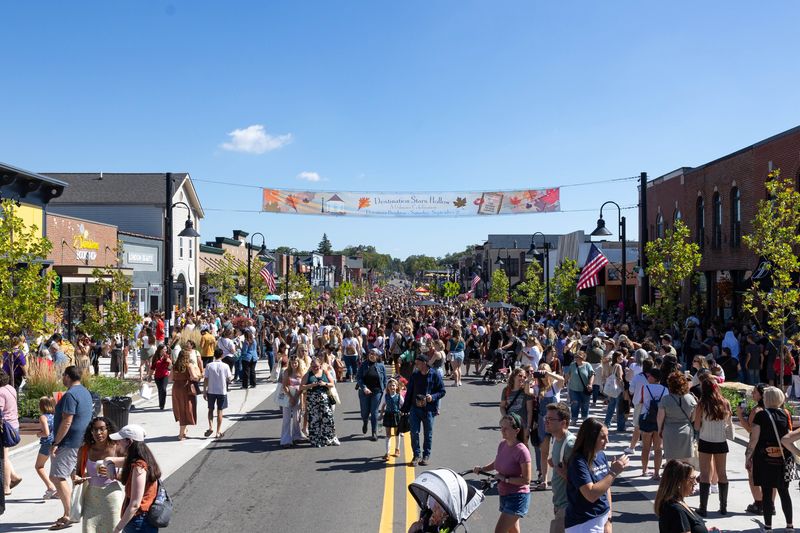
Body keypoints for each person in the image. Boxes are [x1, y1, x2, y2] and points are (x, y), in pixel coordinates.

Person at [49, 365, 94, 530]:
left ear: (68, 376)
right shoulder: (85, 392)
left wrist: (56, 443)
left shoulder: (70, 395)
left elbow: (67, 421)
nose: (62, 378)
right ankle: (76, 510)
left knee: (57, 476)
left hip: (70, 442)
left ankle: (69, 514)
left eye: (63, 375)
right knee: (75, 477)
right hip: (82, 441)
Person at [565, 418, 629, 532]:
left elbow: (606, 488)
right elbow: (590, 494)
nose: (607, 441)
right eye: (603, 437)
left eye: (607, 436)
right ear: (591, 438)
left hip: (602, 517)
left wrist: (609, 518)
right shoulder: (578, 461)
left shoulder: (601, 455)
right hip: (583, 523)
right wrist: (613, 473)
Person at [472, 413, 532, 533]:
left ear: (517, 430)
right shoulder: (503, 444)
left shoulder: (522, 451)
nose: (502, 431)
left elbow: (526, 480)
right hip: (504, 494)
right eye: (501, 427)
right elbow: (497, 463)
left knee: (499, 531)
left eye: (506, 428)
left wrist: (505, 479)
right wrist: (483, 469)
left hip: (517, 497)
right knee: (513, 531)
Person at [746, 386, 794, 532]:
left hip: (764, 458)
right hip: (783, 457)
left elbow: (754, 439)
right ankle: (790, 525)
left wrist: (748, 457)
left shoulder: (761, 415)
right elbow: (789, 436)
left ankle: (768, 527)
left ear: (766, 399)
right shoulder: (786, 414)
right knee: (784, 492)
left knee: (766, 493)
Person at [109, 424, 162, 533]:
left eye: (120, 440)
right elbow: (109, 460)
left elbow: (135, 504)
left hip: (139, 522)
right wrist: (109, 466)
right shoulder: (142, 459)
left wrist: (118, 528)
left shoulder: (139, 467)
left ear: (129, 442)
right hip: (141, 521)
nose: (117, 442)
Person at [693, 375, 732, 517]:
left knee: (705, 474)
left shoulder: (702, 404)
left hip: (705, 440)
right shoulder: (725, 403)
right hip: (721, 441)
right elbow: (727, 421)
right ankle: (723, 507)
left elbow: (697, 426)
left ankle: (703, 508)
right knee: (722, 473)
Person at [77, 416, 124, 533]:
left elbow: (130, 474)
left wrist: (113, 474)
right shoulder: (85, 450)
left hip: (112, 496)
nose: (98, 433)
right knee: (89, 529)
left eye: (102, 429)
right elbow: (78, 473)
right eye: (95, 429)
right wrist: (77, 478)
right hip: (92, 497)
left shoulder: (117, 448)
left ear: (108, 430)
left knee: (113, 529)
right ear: (91, 432)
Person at [402, 355, 446, 466]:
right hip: (415, 409)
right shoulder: (415, 375)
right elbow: (409, 392)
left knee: (428, 434)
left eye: (418, 363)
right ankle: (416, 455)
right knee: (414, 433)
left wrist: (432, 397)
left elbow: (442, 391)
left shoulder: (434, 374)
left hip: (429, 410)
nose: (416, 365)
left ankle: (426, 455)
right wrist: (405, 407)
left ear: (425, 363)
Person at [654, 460, 718, 533]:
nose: (695, 482)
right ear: (679, 483)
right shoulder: (676, 511)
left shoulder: (677, 502)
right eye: (692, 478)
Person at [736, 382, 769, 514]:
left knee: (753, 475)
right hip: (770, 445)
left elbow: (750, 429)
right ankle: (770, 504)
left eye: (755, 392)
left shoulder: (756, 410)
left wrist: (740, 415)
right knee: (770, 477)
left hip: (756, 445)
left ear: (761, 395)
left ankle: (759, 503)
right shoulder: (775, 409)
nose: (752, 394)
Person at [658, 371, 698, 468]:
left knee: (671, 462)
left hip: (669, 431)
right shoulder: (691, 398)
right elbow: (693, 418)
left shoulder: (665, 399)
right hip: (686, 431)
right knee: (685, 463)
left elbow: (660, 417)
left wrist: (660, 430)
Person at [546, 402, 575, 533]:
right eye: (546, 418)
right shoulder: (557, 438)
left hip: (568, 506)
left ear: (563, 423)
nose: (546, 421)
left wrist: (563, 472)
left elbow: (582, 480)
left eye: (551, 419)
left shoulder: (570, 444)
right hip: (559, 503)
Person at [301, 356, 337, 447]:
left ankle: (329, 438)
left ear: (320, 365)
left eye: (317, 366)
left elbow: (332, 384)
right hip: (312, 399)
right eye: (313, 366)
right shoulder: (308, 375)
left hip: (325, 398)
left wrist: (324, 384)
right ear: (311, 366)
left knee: (328, 417)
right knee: (314, 419)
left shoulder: (325, 372)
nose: (315, 368)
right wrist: (311, 385)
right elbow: (301, 387)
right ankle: (315, 440)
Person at [639, 368, 667, 479]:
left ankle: (644, 470)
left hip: (646, 418)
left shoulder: (645, 388)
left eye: (649, 376)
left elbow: (640, 401)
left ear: (654, 378)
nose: (648, 377)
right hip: (660, 420)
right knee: (658, 449)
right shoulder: (665, 390)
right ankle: (656, 473)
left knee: (646, 448)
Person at [357, 348, 388, 441]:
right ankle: (365, 421)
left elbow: (385, 379)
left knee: (374, 412)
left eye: (373, 354)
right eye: (370, 353)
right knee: (364, 412)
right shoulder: (363, 365)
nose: (371, 355)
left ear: (377, 356)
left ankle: (374, 432)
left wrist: (385, 389)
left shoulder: (381, 366)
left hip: (377, 392)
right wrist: (364, 388)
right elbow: (359, 377)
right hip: (364, 392)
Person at [203, 347, 233, 439]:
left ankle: (210, 427)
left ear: (214, 355)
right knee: (220, 410)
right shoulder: (225, 366)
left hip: (211, 390)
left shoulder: (209, 365)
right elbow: (230, 378)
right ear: (222, 355)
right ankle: (218, 431)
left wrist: (204, 390)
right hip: (221, 391)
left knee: (210, 409)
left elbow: (206, 379)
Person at [500, 368, 534, 446]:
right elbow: (502, 406)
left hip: (523, 425)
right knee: (509, 445)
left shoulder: (526, 391)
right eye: (520, 375)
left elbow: (529, 411)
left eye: (524, 377)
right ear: (514, 376)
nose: (522, 378)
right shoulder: (506, 390)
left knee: (523, 446)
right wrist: (506, 417)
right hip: (509, 425)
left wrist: (528, 428)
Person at [0, 370, 21, 496]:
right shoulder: (10, 388)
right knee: (5, 455)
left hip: (5, 428)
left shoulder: (1, 392)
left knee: (4, 458)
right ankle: (14, 476)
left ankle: (6, 487)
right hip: (14, 425)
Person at [171, 348, 199, 441]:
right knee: (186, 409)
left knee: (179, 408)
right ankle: (181, 434)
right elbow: (194, 377)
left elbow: (170, 378)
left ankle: (184, 430)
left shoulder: (174, 366)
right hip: (185, 388)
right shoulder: (189, 365)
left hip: (176, 387)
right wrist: (198, 375)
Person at [35, 396, 58, 499]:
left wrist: (39, 434)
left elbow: (46, 433)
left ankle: (50, 487)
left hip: (47, 443)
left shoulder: (43, 417)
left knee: (39, 466)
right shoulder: (56, 416)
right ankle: (59, 490)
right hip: (56, 443)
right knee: (56, 467)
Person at [280, 354, 303, 448]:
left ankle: (296, 436)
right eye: (292, 363)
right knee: (286, 418)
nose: (294, 364)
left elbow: (302, 386)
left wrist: (297, 397)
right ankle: (285, 440)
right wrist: (291, 397)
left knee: (297, 418)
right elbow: (284, 386)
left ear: (298, 363)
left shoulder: (301, 372)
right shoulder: (287, 372)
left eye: (296, 363)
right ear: (290, 363)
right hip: (288, 396)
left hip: (297, 396)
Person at [565, 350, 594, 424]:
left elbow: (592, 375)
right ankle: (574, 418)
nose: (577, 358)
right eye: (576, 357)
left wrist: (590, 384)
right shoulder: (572, 365)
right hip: (573, 389)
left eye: (578, 357)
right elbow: (568, 374)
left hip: (585, 389)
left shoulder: (587, 365)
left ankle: (584, 418)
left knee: (585, 404)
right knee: (575, 404)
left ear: (583, 358)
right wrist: (564, 382)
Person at [380, 378, 404, 460]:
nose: (392, 387)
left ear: (397, 386)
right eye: (390, 386)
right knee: (388, 434)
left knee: (397, 433)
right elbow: (383, 405)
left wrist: (402, 412)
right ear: (387, 387)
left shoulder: (399, 396)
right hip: (388, 415)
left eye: (393, 385)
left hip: (396, 416)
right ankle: (387, 453)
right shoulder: (386, 396)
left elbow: (403, 405)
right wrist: (381, 415)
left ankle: (397, 449)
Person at [149, 345, 171, 411]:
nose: (165, 350)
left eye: (166, 349)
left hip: (165, 375)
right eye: (164, 349)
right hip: (157, 376)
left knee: (163, 389)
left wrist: (170, 362)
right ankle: (160, 402)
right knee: (160, 389)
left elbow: (170, 367)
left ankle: (162, 405)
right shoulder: (155, 356)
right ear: (160, 349)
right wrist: (149, 376)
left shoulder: (167, 356)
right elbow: (153, 367)